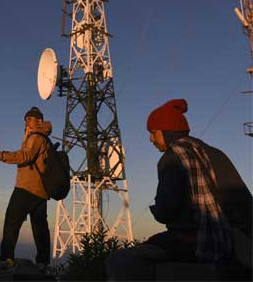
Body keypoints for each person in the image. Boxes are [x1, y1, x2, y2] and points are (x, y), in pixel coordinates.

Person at [106, 99, 253, 280]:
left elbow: (165, 212)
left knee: (120, 261)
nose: (151, 139)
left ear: (167, 132)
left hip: (193, 242)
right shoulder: (214, 152)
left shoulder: (171, 158)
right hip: (230, 241)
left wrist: (157, 209)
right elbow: (243, 201)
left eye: (153, 133)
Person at [0, 106, 53, 271]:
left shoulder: (36, 137)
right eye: (25, 120)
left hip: (27, 188)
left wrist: (0, 156)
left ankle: (6, 259)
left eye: (29, 119)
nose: (26, 122)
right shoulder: (42, 137)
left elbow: (25, 157)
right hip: (41, 192)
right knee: (40, 228)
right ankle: (43, 262)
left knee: (12, 221)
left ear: (39, 121)